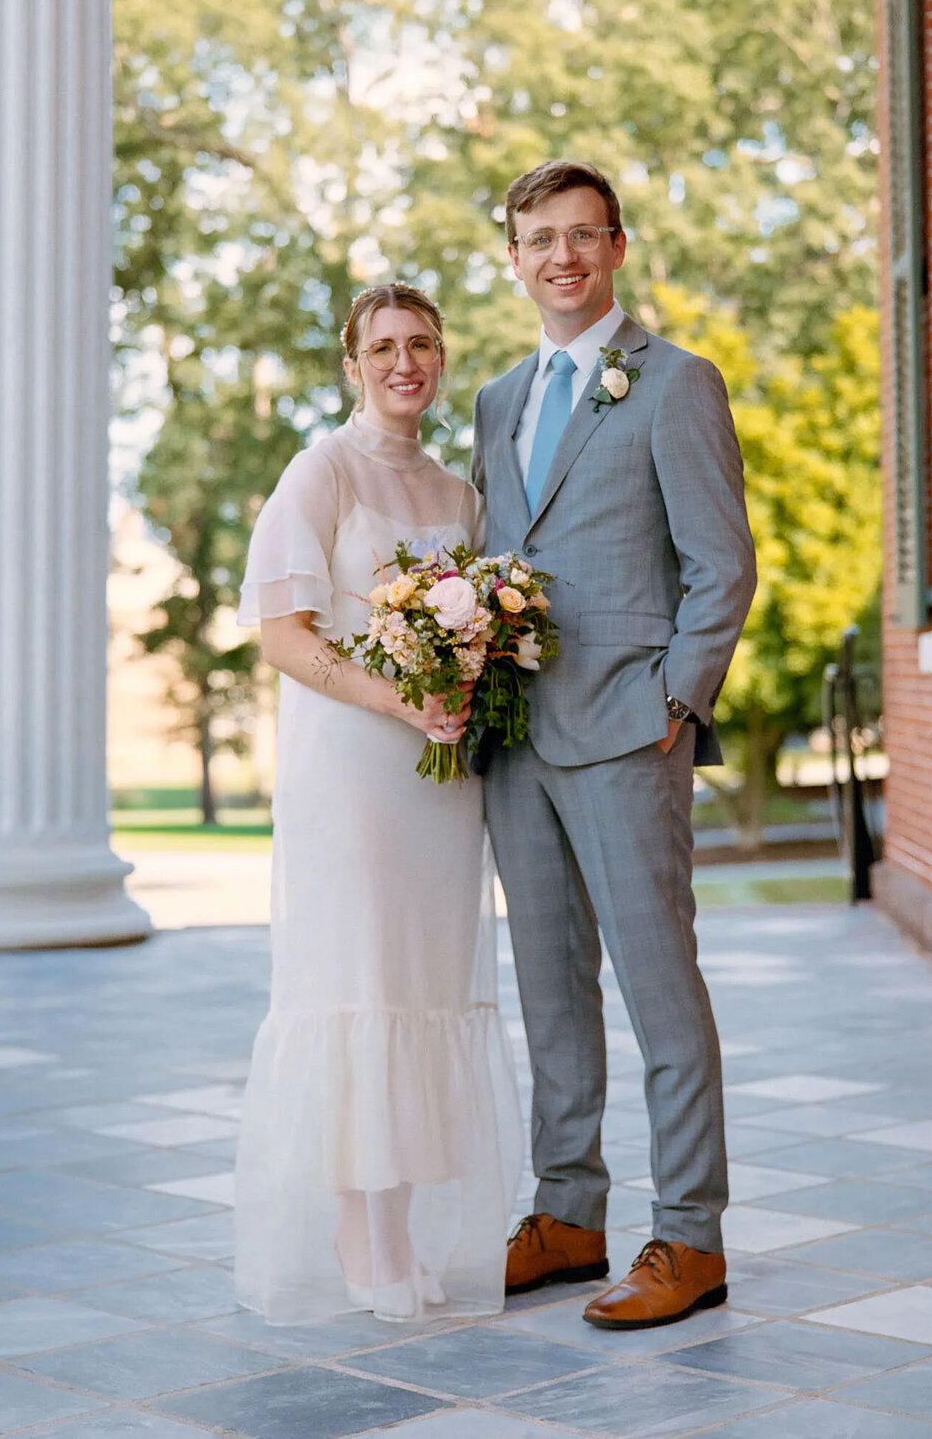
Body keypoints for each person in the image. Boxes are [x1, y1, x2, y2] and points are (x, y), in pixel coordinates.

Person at [472, 161, 756, 1331]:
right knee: (550, 994)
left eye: (582, 235)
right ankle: (570, 1214)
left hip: (629, 734)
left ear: (618, 247)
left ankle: (689, 1238)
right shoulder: (496, 398)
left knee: (659, 993)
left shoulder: (675, 383)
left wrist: (674, 705)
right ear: (515, 258)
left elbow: (721, 563)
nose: (562, 257)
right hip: (515, 744)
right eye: (540, 238)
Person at [234, 284, 521, 1325]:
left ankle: (401, 1227)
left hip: (438, 786)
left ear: (441, 359)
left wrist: (463, 684)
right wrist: (400, 696)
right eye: (385, 346)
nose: (407, 361)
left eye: (423, 344)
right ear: (352, 364)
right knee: (358, 982)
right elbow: (282, 633)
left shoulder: (459, 491)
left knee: (424, 986)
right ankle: (363, 1236)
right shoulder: (321, 471)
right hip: (352, 771)